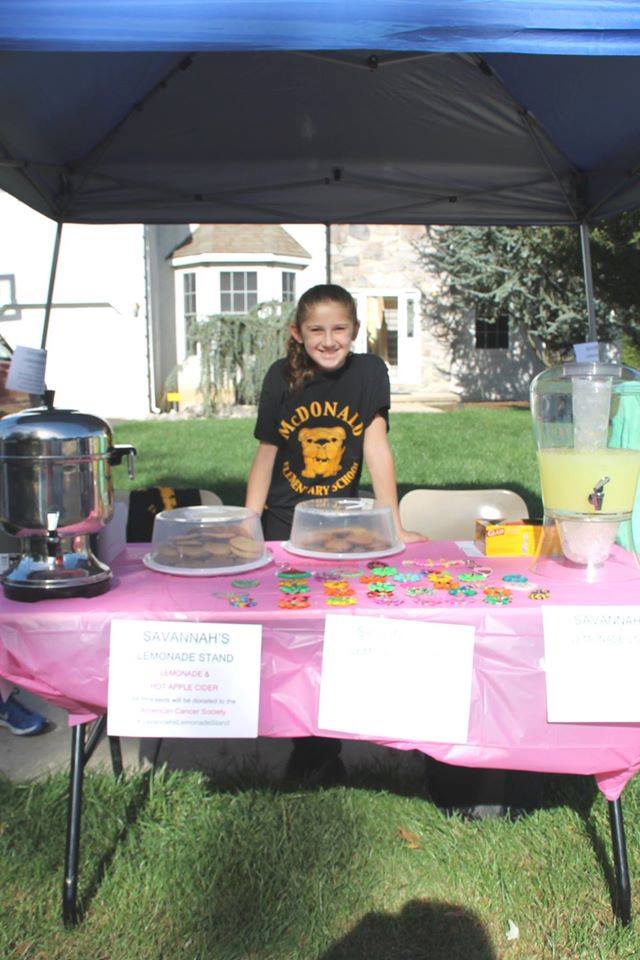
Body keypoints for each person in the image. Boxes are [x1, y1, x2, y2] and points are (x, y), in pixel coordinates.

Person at [246, 283, 424, 783]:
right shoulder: (280, 378)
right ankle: (309, 745)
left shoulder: (369, 372)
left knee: (341, 627)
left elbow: (377, 448)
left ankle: (330, 738)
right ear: (297, 334)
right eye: (316, 330)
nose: (328, 340)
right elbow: (264, 456)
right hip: (285, 524)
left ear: (355, 331)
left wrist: (392, 522)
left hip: (343, 524)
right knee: (298, 635)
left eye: (338, 329)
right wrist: (248, 524)